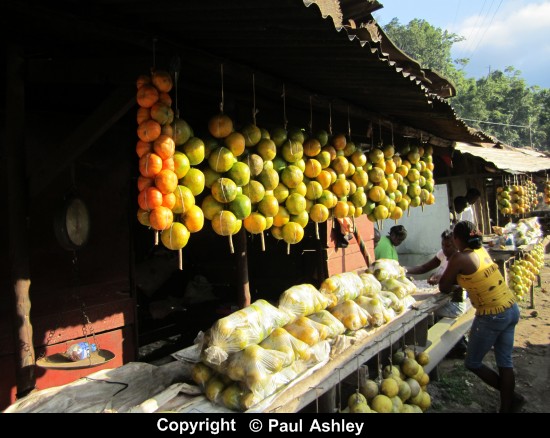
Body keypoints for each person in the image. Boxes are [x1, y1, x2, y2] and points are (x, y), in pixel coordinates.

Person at [439, 220, 524, 413]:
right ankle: (508, 405)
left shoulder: (460, 257)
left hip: (492, 314)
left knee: (472, 362)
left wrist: (449, 278)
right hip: (510, 307)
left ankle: (512, 397)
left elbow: (443, 287)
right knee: (505, 362)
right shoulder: (481, 250)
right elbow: (475, 277)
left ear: (457, 239)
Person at [405, 229, 470, 318]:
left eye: (448, 246)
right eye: (442, 245)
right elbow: (424, 268)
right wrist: (403, 269)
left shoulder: (459, 260)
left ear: (456, 245)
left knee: (417, 312)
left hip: (455, 305)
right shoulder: (442, 253)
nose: (444, 249)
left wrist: (441, 279)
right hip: (443, 300)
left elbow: (454, 286)